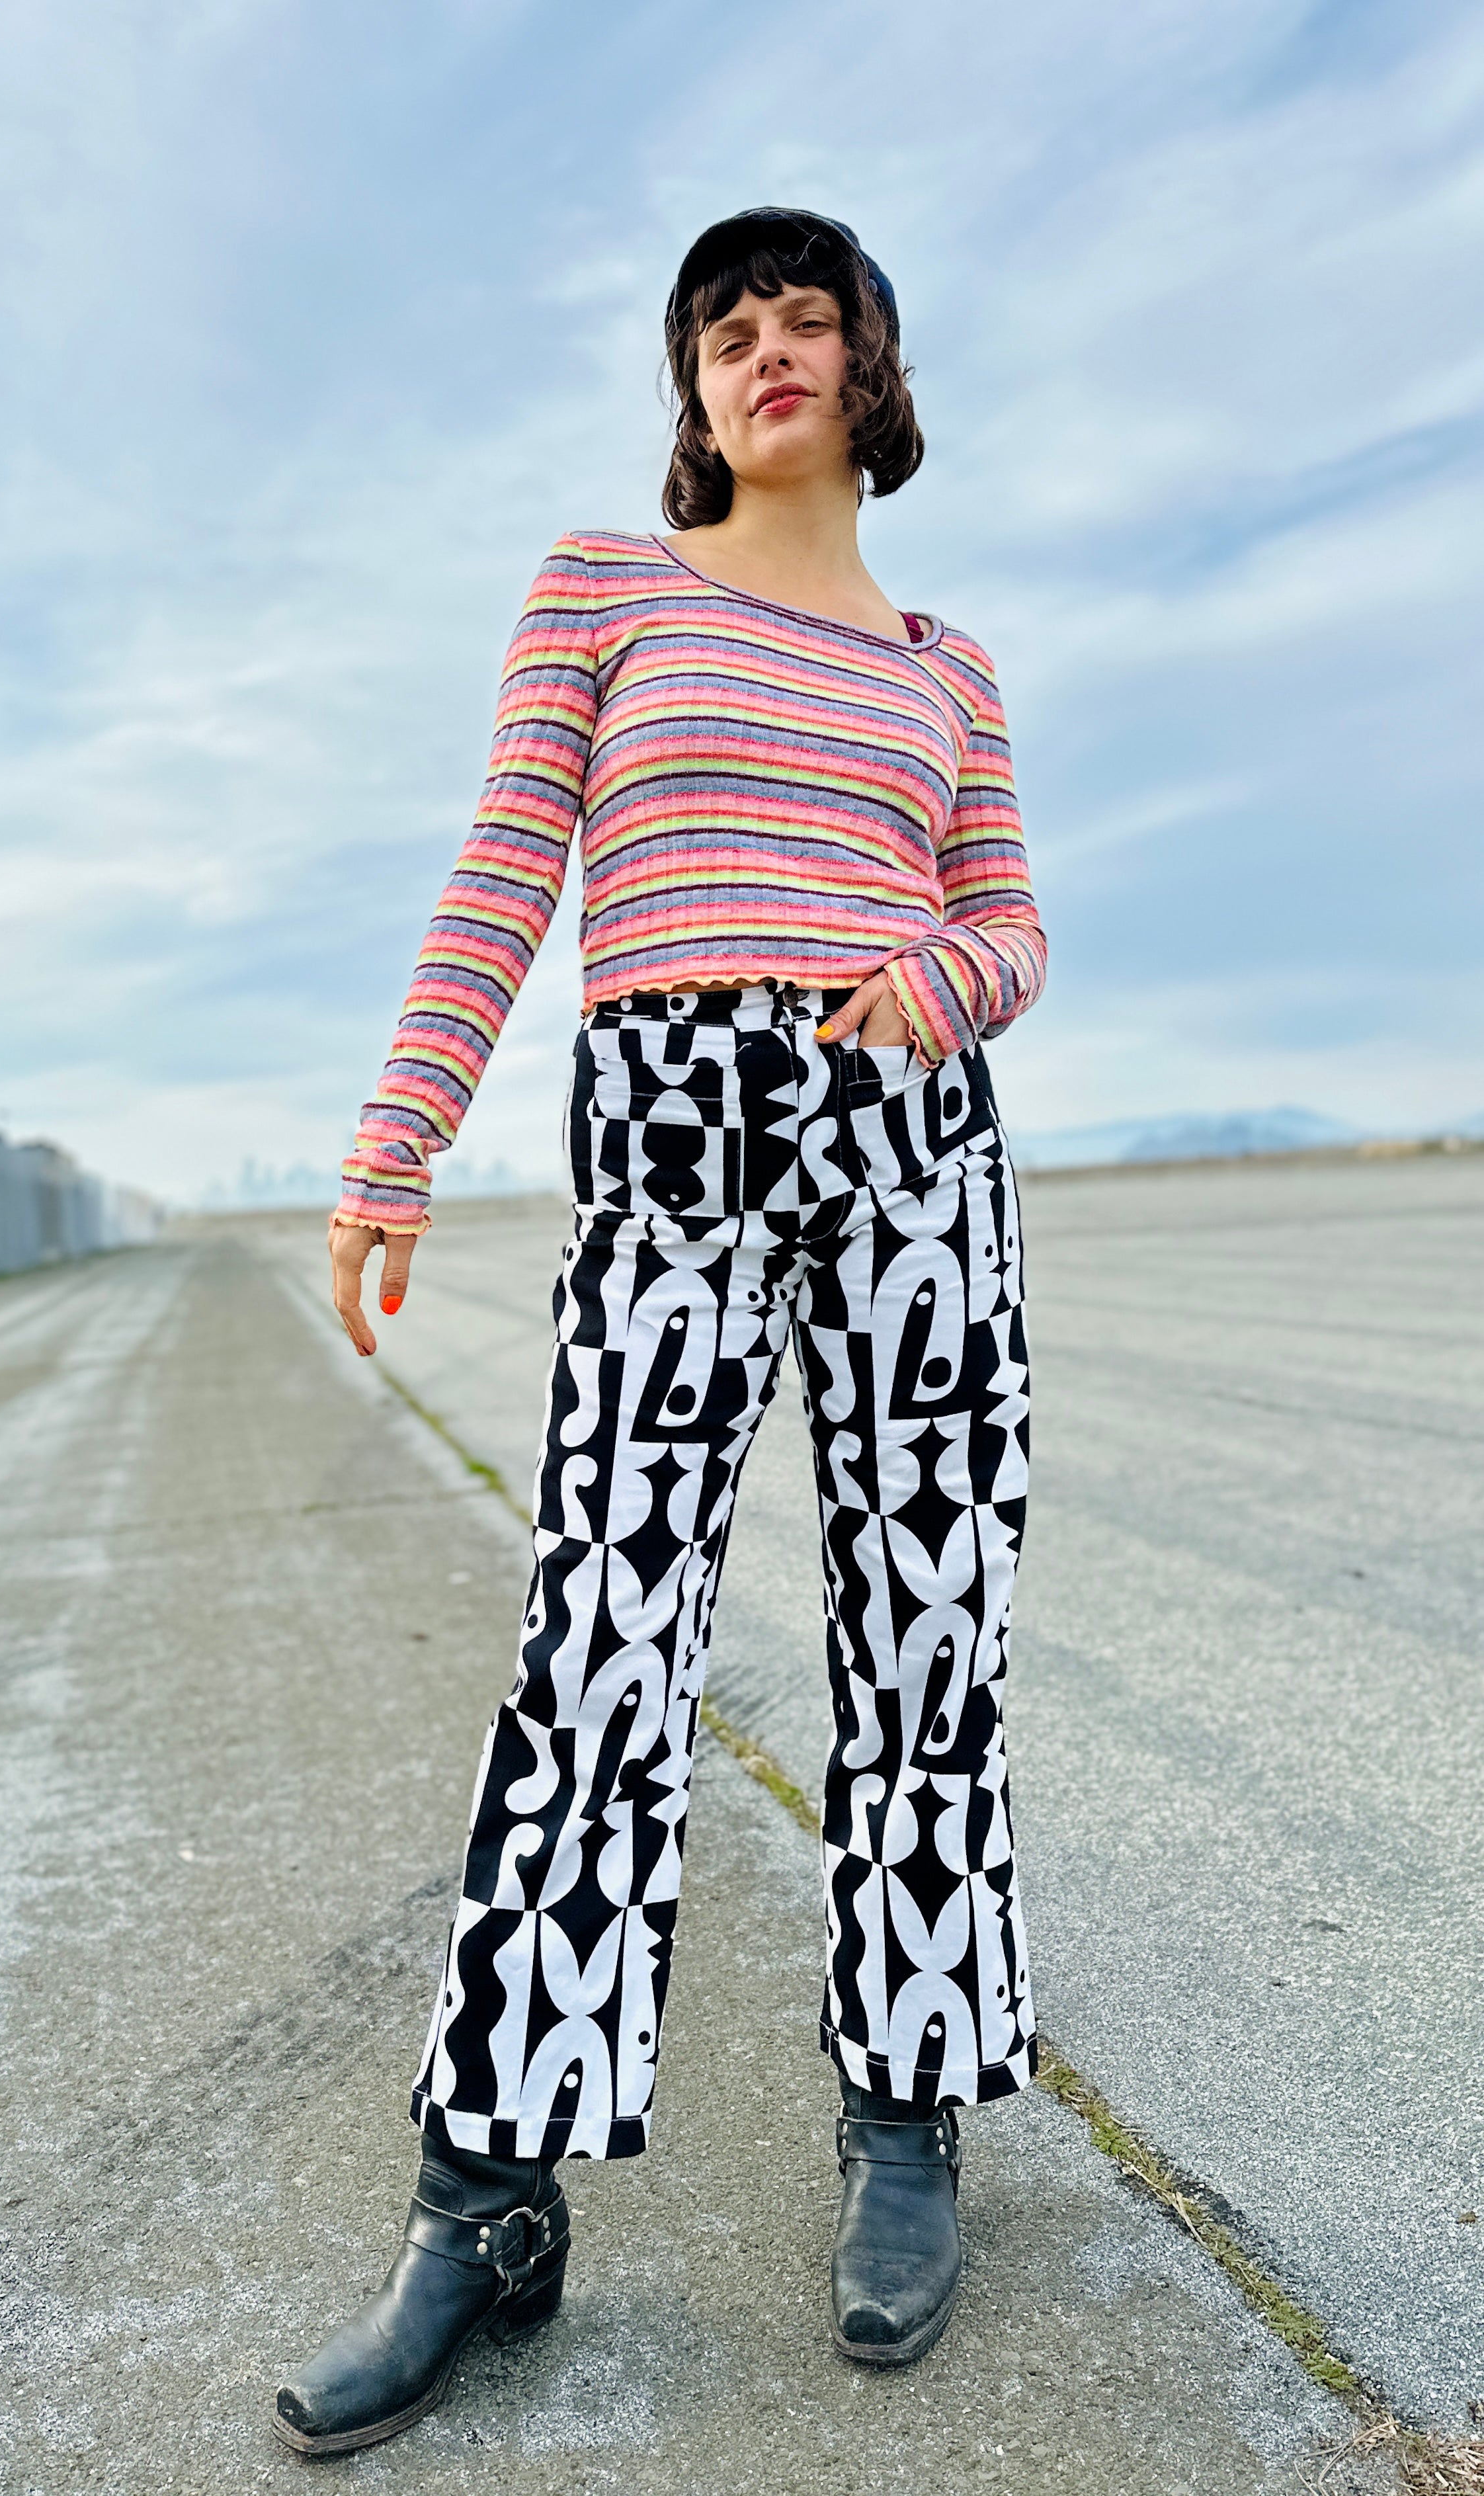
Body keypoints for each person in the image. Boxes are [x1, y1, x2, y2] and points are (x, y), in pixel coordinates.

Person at [274, 205, 1047, 2460]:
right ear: (689, 388)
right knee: (600, 1644)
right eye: (725, 324)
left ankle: (907, 2125)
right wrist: (394, 1136)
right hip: (675, 1134)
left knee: (930, 1640)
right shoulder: (607, 585)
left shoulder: (952, 663)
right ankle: (485, 2202)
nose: (764, 345)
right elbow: (511, 862)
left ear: (875, 371)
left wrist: (943, 985)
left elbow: (1008, 916)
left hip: (911, 1144)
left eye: (809, 315)